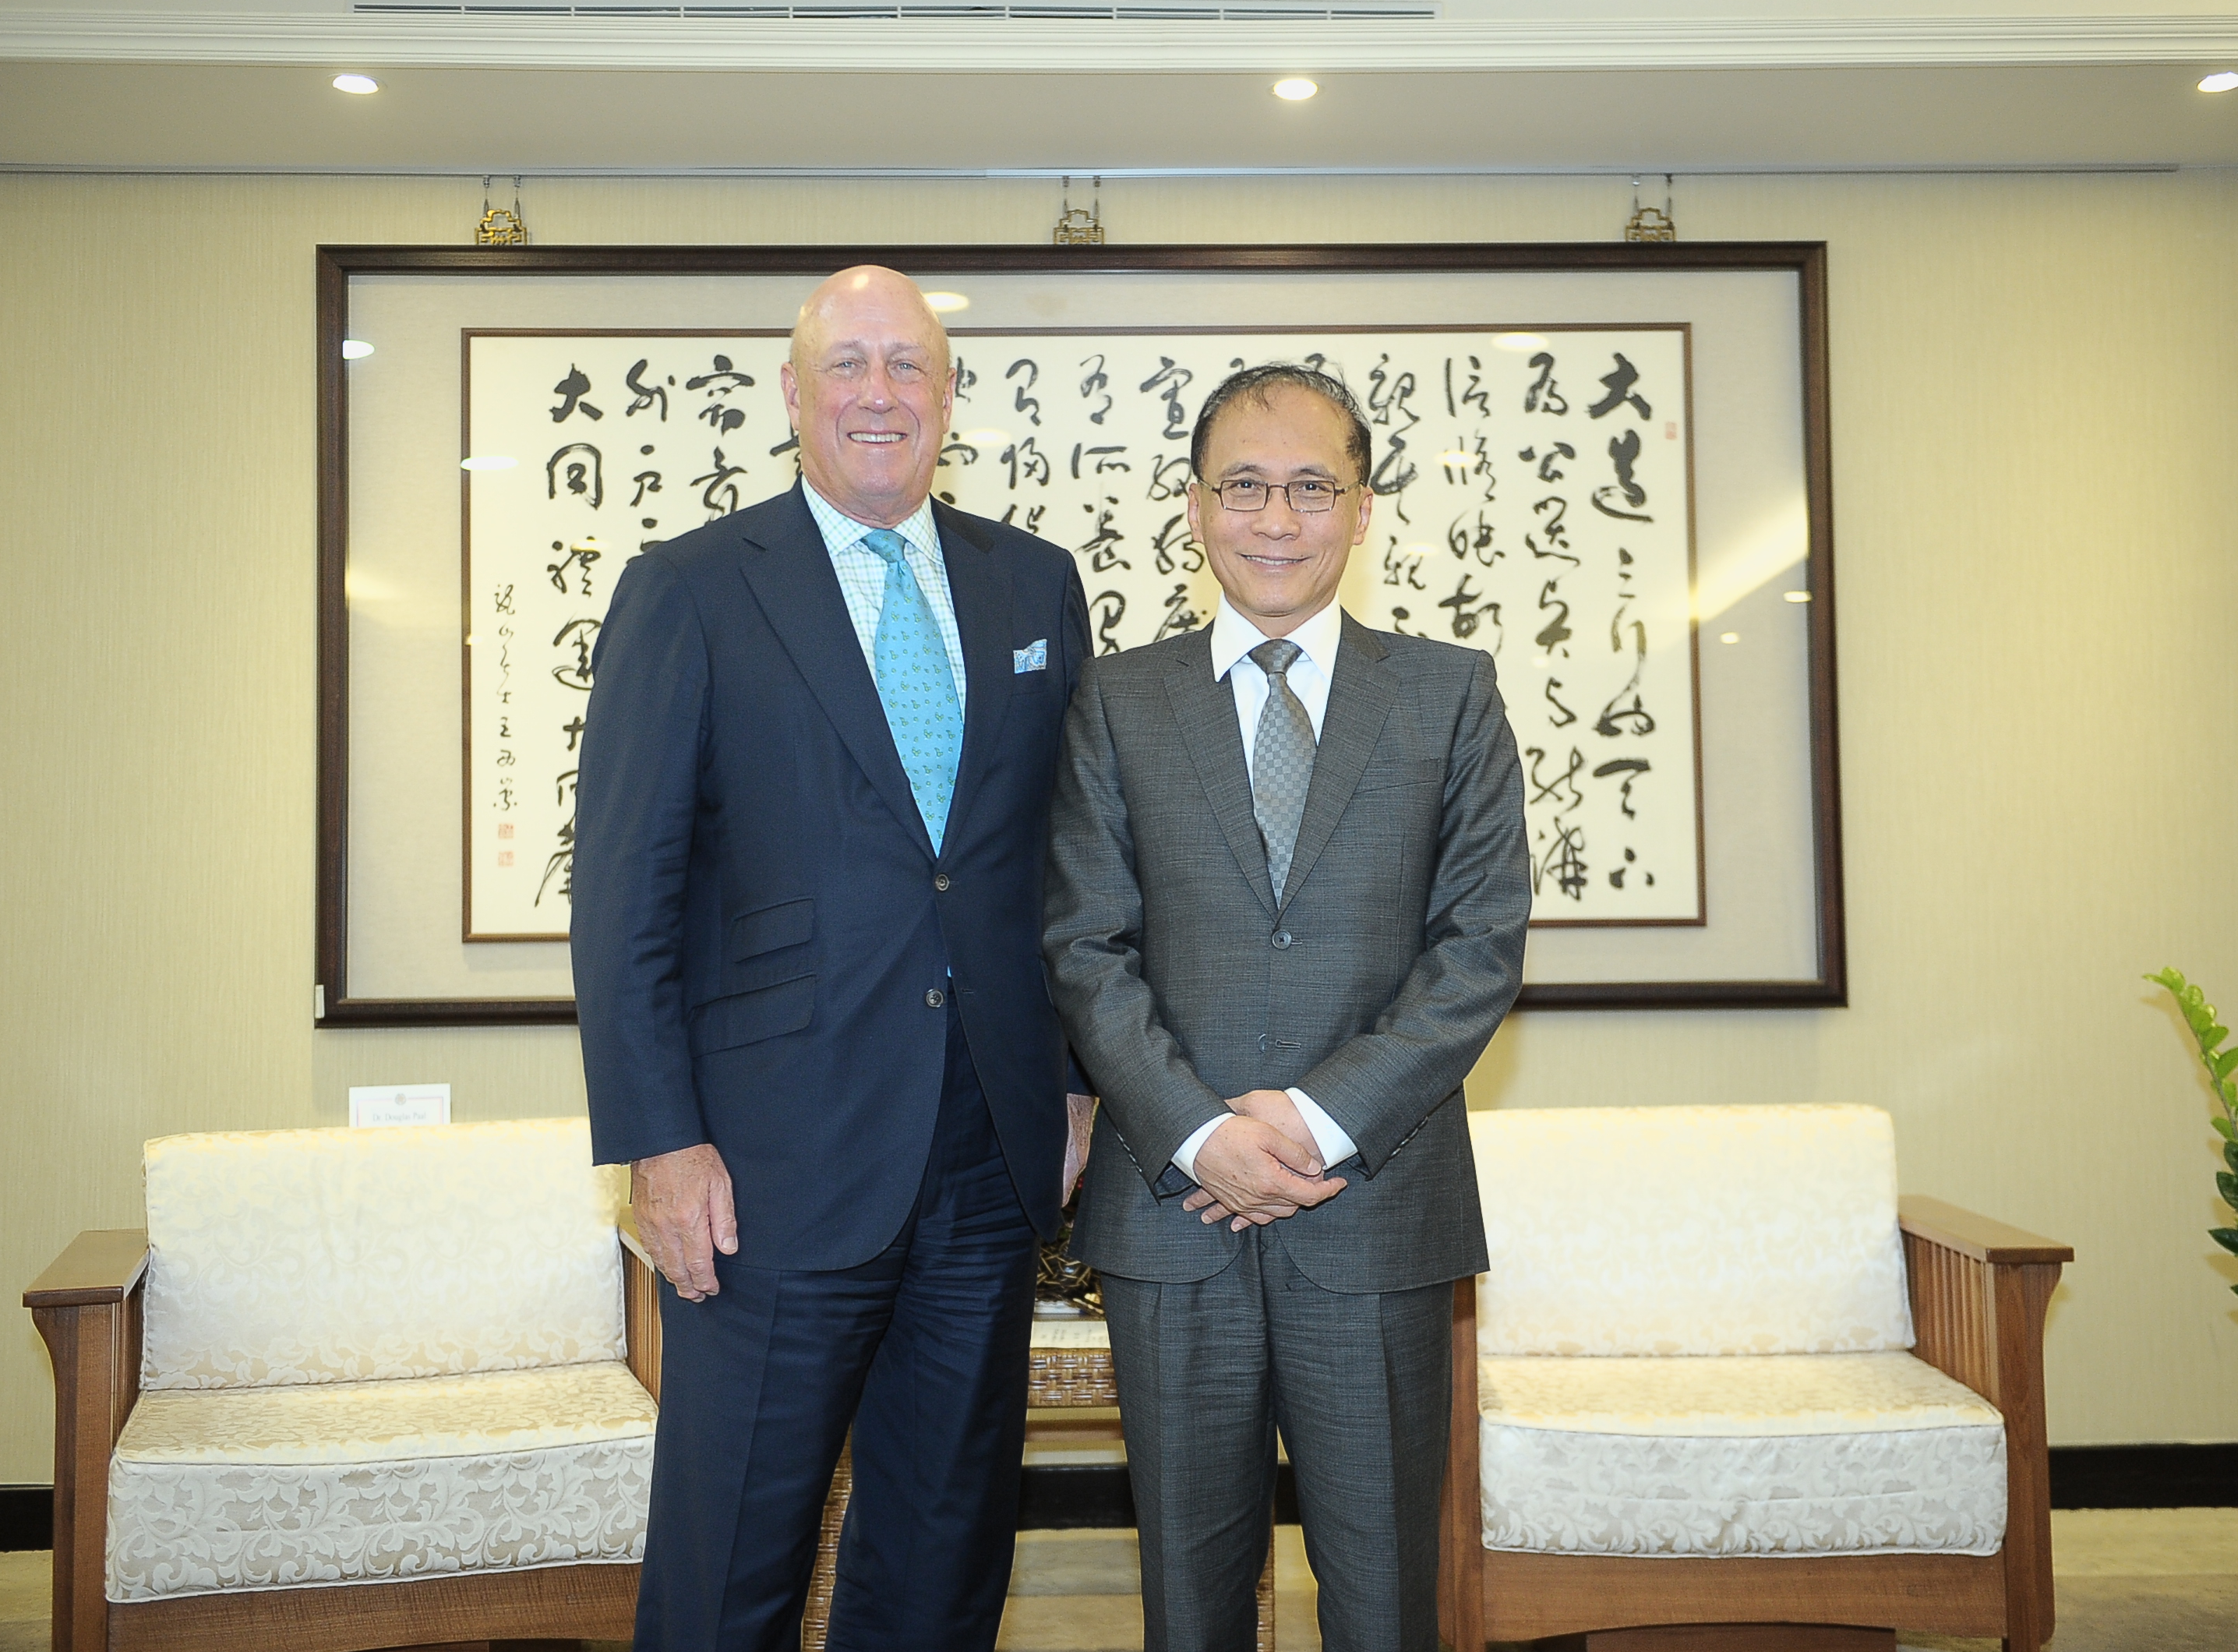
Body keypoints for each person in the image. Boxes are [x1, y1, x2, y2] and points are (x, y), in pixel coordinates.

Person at [573, 266, 1094, 1652]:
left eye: (908, 365)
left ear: (949, 396)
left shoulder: (1034, 583)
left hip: (986, 1156)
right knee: (730, 1566)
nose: (880, 394)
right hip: (768, 1168)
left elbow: (1066, 860)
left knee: (940, 1560)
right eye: (847, 365)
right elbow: (623, 896)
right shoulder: (689, 589)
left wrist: (1076, 1082)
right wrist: (659, 1143)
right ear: (794, 393)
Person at [1042, 363, 1530, 1651]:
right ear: (1195, 508)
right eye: (1244, 486)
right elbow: (1086, 945)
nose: (1276, 518)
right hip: (1173, 1218)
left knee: (1385, 1602)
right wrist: (1202, 1134)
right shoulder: (1118, 699)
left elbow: (1479, 947)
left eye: (1312, 487)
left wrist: (1315, 1121)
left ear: (1363, 510)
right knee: (1188, 1604)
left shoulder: (1449, 694)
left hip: (1377, 1209)